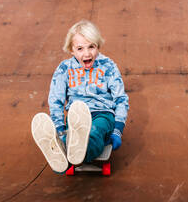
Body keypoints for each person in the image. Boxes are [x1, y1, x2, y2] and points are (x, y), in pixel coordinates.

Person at [31, 20, 129, 173]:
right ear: (71, 50)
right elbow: (56, 100)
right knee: (73, 135)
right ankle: (62, 147)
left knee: (95, 132)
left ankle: (68, 155)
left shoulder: (108, 66)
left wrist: (117, 130)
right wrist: (59, 127)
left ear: (98, 46)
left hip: (102, 114)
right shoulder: (64, 69)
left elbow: (121, 99)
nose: (87, 53)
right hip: (76, 118)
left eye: (91, 47)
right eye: (80, 48)